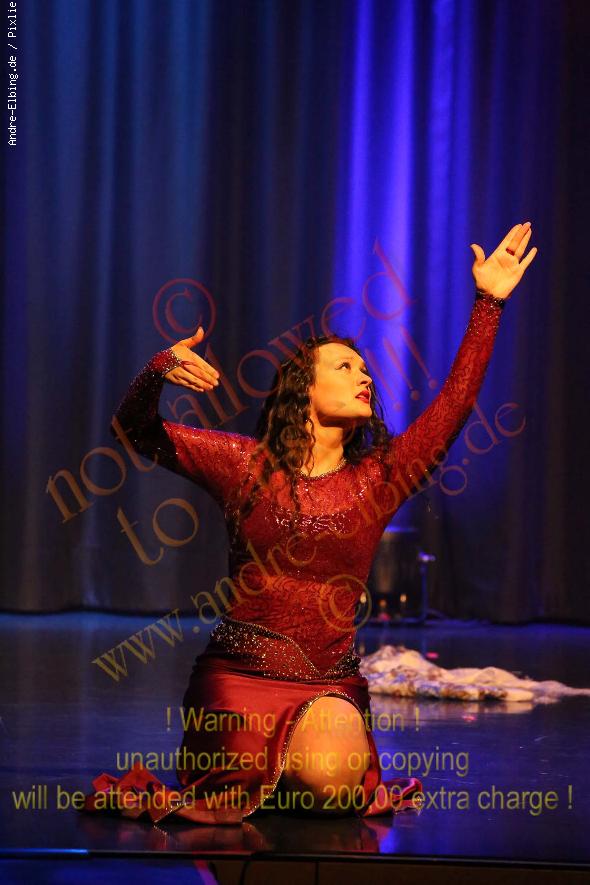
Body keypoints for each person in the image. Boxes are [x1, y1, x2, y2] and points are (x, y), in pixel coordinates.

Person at [83, 223, 537, 825]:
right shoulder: (245, 466)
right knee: (276, 780)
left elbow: (452, 407)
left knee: (333, 784)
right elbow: (134, 429)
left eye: (366, 370)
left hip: (328, 683)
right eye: (346, 366)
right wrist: (160, 367)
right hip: (239, 678)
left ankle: (286, 768)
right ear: (304, 388)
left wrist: (489, 304)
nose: (365, 377)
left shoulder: (380, 478)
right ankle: (265, 767)